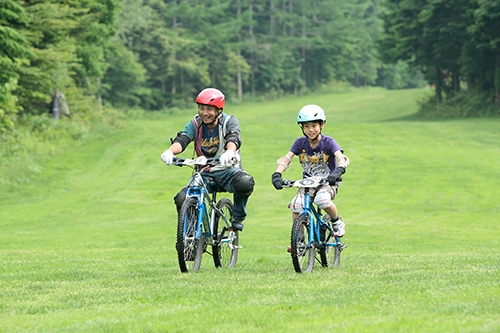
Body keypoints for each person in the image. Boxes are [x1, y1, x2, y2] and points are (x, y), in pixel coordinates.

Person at [160, 88, 254, 231]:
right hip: (204, 173)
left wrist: (229, 152)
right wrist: (169, 151)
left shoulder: (229, 121)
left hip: (227, 171)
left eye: (209, 109)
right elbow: (183, 139)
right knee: (182, 198)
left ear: (218, 110)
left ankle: (238, 216)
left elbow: (233, 137)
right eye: (201, 108)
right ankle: (190, 235)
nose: (204, 113)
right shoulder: (195, 124)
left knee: (245, 182)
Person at [271, 104, 350, 239]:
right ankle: (299, 240)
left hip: (327, 183)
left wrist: (339, 171)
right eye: (306, 126)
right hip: (308, 183)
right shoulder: (299, 143)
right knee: (296, 205)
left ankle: (336, 221)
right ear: (302, 127)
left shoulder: (329, 142)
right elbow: (286, 159)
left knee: (322, 200)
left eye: (314, 126)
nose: (310, 130)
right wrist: (277, 174)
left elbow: (342, 158)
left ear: (321, 125)